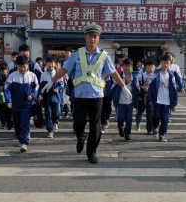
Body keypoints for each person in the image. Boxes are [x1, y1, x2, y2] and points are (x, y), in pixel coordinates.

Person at [42, 23, 131, 164]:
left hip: (97, 96)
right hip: (80, 96)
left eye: (95, 36)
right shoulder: (76, 54)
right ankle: (81, 137)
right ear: (85, 37)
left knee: (96, 126)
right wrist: (51, 81)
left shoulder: (104, 56)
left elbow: (113, 72)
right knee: (78, 124)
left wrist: (123, 86)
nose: (92, 39)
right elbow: (64, 69)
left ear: (98, 38)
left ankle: (91, 152)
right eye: (90, 36)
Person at [5, 54, 39, 153]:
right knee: (17, 123)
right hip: (16, 104)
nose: (23, 69)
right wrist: (8, 100)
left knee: (24, 123)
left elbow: (36, 87)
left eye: (24, 66)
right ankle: (20, 136)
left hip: (27, 105)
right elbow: (7, 90)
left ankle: (24, 142)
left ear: (28, 65)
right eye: (20, 67)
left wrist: (32, 95)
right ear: (17, 66)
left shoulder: (32, 76)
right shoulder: (12, 76)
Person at [147, 54, 181, 142]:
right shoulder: (155, 74)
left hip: (167, 101)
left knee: (165, 119)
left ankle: (162, 134)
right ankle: (155, 127)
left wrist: (174, 102)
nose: (165, 65)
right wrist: (150, 99)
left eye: (167, 63)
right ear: (161, 63)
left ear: (170, 64)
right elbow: (150, 87)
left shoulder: (171, 76)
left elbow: (174, 90)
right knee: (156, 116)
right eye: (164, 63)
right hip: (157, 100)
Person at [112, 57, 138, 141]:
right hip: (120, 102)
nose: (128, 67)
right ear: (123, 66)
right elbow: (113, 87)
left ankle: (127, 134)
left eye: (130, 66)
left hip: (130, 102)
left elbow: (137, 88)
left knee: (129, 120)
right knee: (120, 119)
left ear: (132, 66)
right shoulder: (118, 76)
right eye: (126, 65)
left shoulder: (135, 77)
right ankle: (120, 127)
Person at [39, 56, 64, 139]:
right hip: (47, 98)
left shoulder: (58, 74)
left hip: (56, 97)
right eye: (48, 63)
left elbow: (62, 84)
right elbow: (41, 87)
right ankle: (50, 131)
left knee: (57, 113)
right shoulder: (43, 74)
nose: (50, 65)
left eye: (52, 63)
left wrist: (58, 89)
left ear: (55, 64)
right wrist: (41, 94)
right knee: (48, 115)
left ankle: (55, 122)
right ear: (46, 63)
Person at [135, 59, 156, 134]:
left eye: (153, 67)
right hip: (142, 96)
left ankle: (149, 129)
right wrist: (142, 87)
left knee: (150, 113)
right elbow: (136, 84)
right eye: (149, 67)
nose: (151, 69)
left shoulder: (155, 76)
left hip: (150, 97)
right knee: (140, 111)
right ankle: (138, 123)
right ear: (146, 67)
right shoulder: (141, 76)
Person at [0, 62, 13, 130]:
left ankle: (9, 122)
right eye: (1, 71)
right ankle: (3, 123)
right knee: (1, 110)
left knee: (9, 110)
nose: (3, 72)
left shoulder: (10, 76)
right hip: (0, 96)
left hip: (8, 96)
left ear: (7, 69)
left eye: (4, 70)